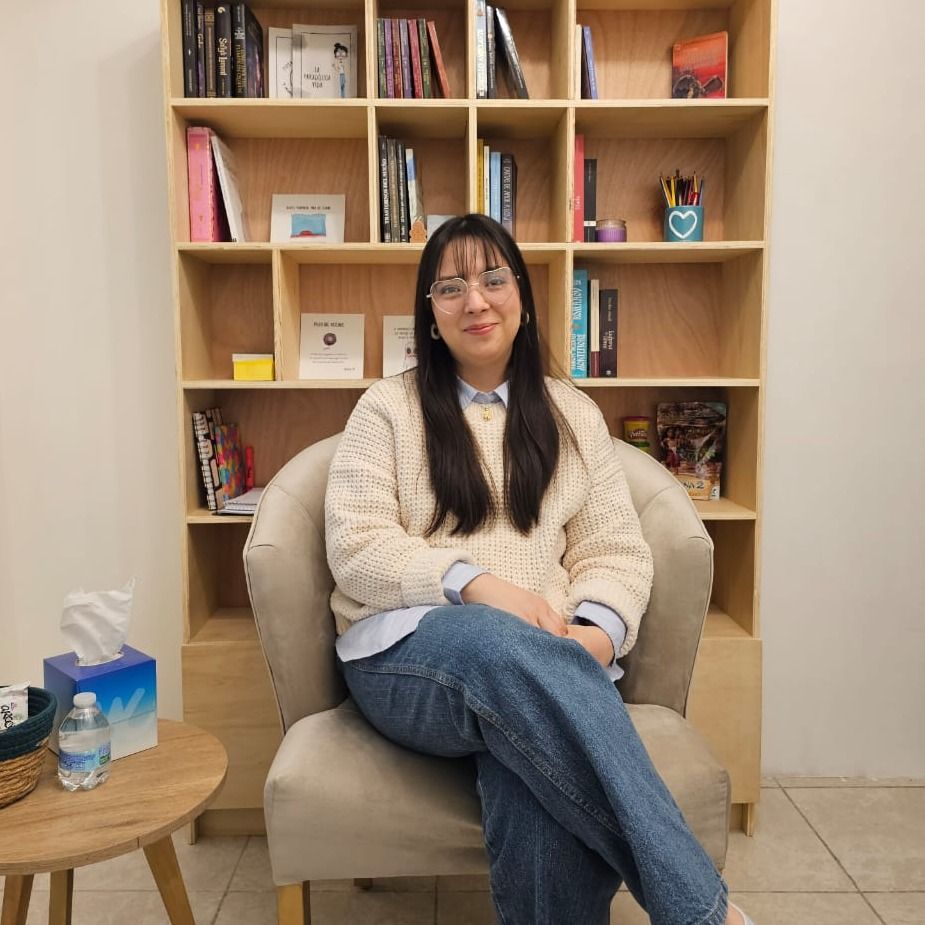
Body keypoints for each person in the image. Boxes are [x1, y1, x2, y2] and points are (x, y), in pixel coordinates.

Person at [324, 214, 754, 925]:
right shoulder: (386, 409)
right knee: (495, 640)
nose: (475, 301)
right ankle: (702, 913)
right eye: (450, 287)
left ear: (522, 296)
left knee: (534, 779)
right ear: (430, 315)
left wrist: (597, 635)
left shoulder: (572, 414)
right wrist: (478, 585)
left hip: (548, 658)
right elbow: (356, 545)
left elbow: (614, 549)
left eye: (493, 279)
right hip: (405, 658)